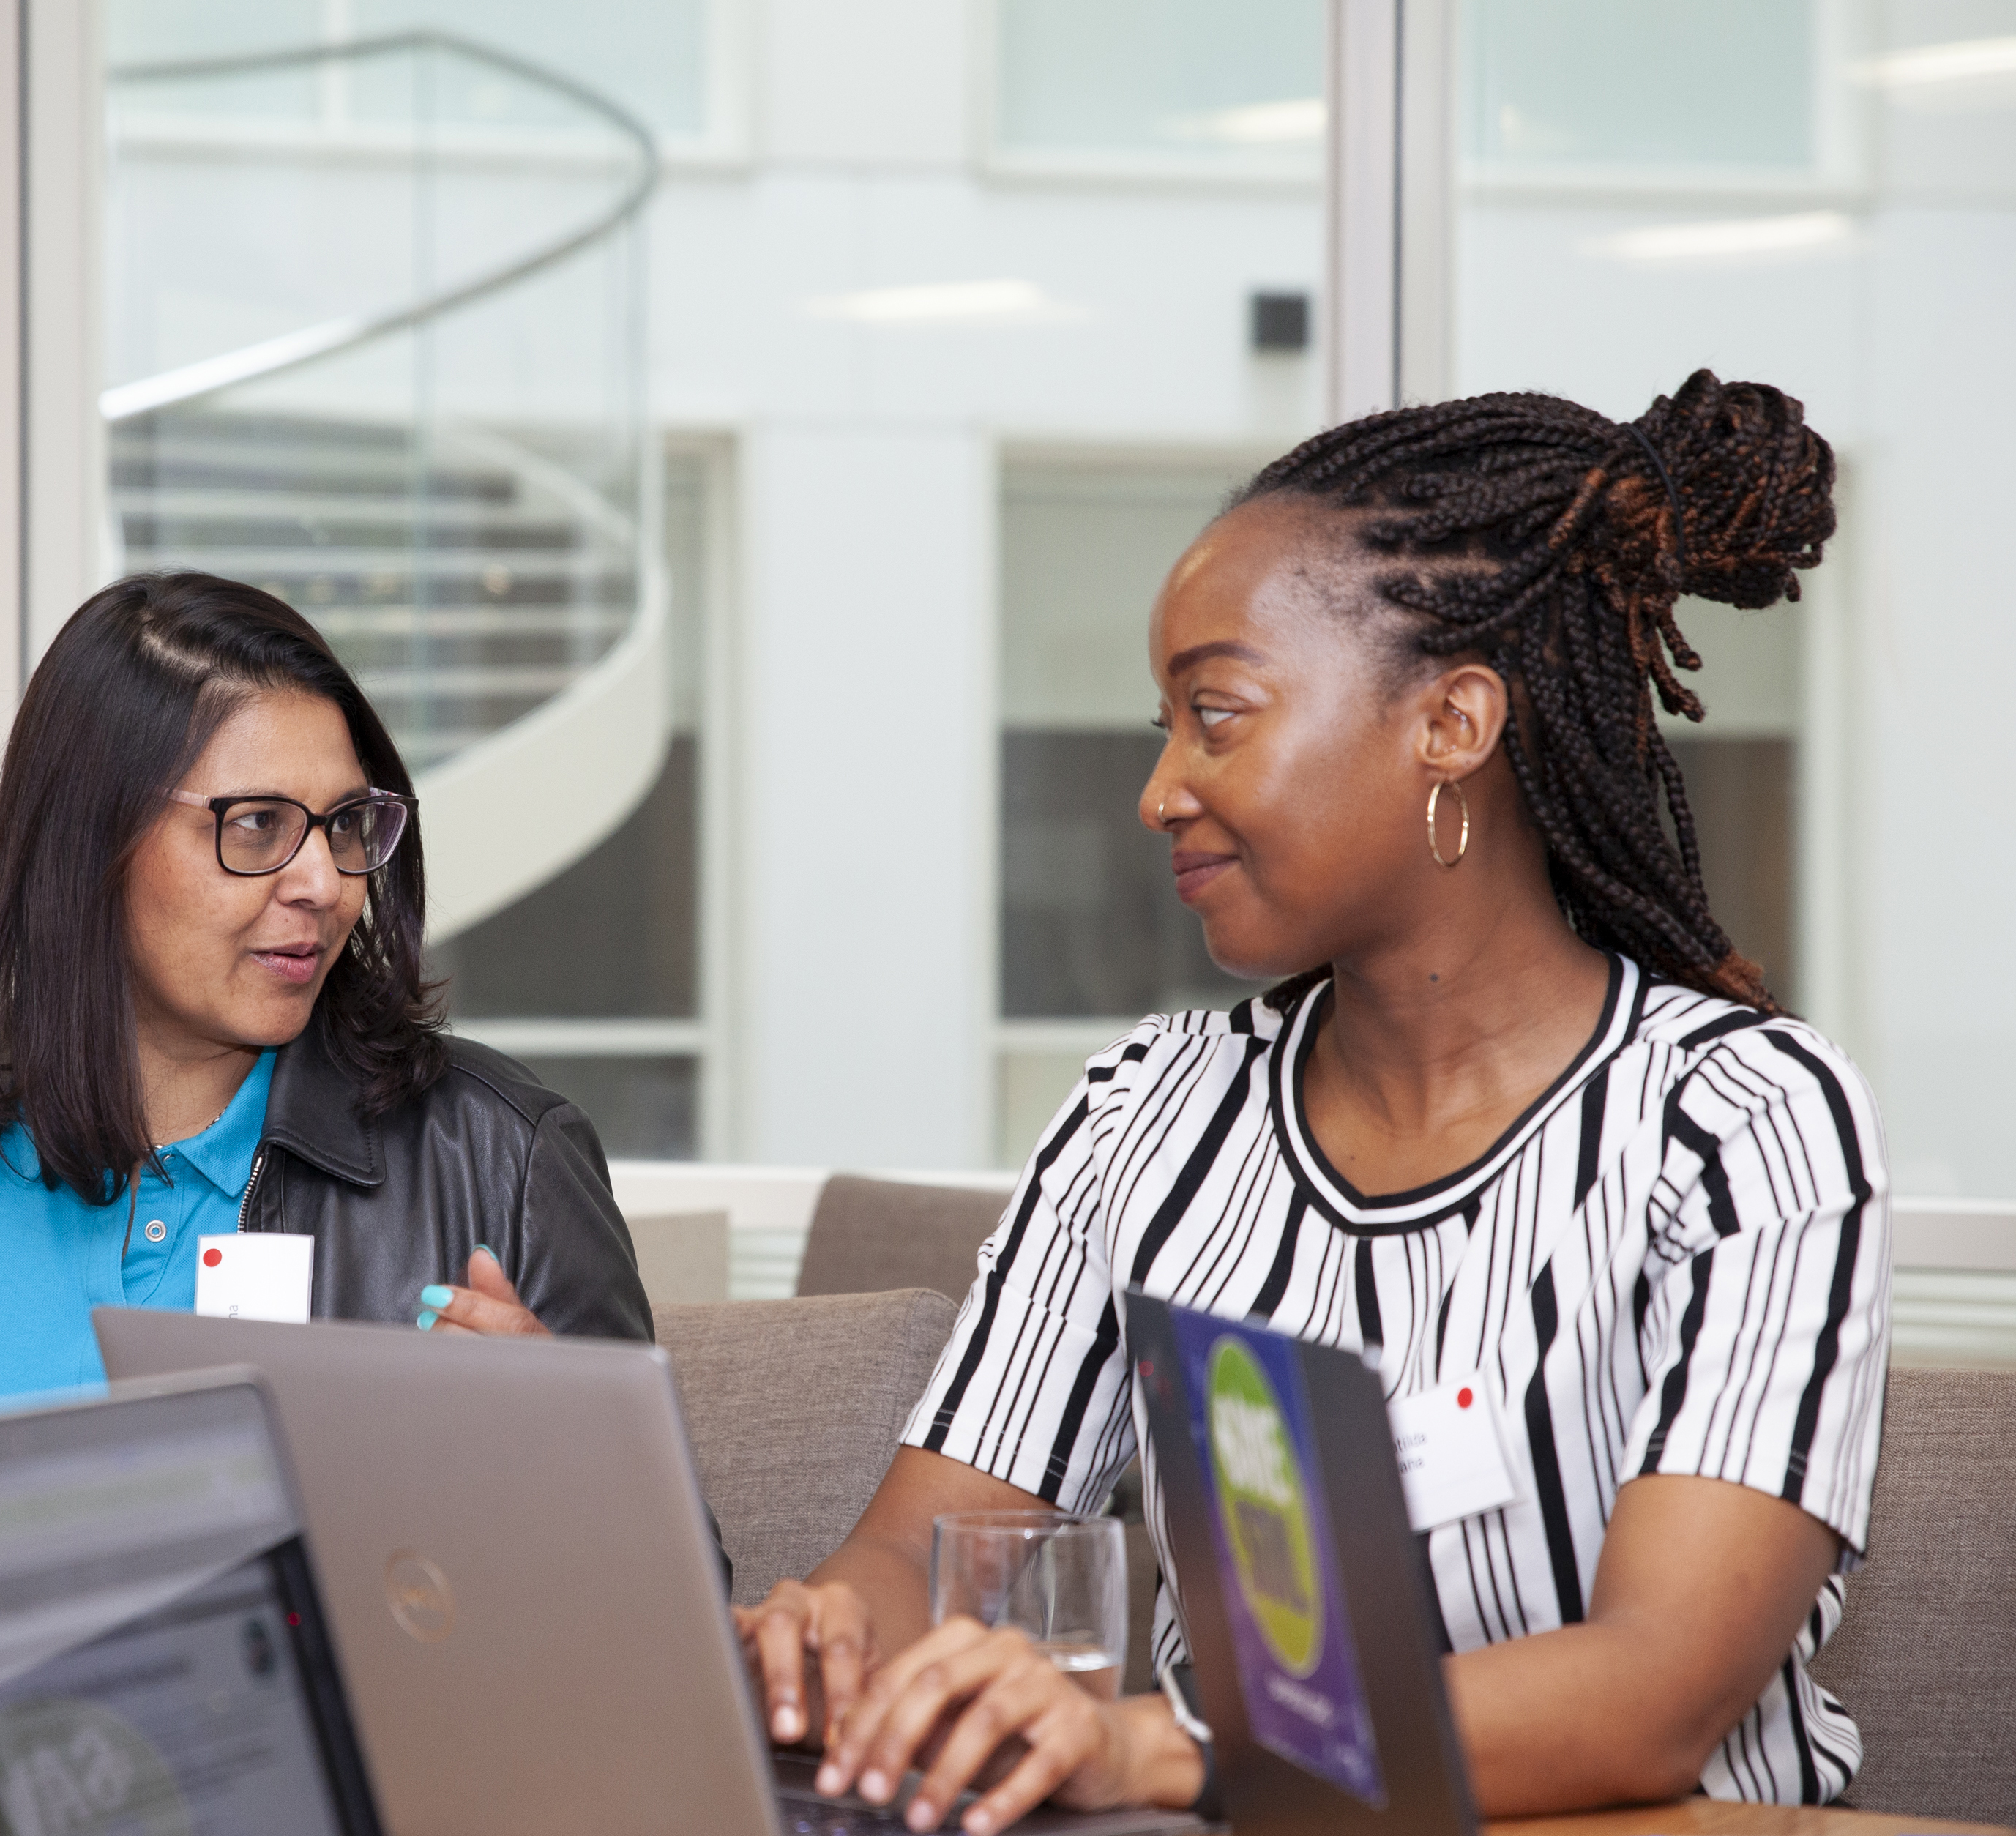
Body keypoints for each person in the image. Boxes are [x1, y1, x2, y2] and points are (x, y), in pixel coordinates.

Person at [742, 372, 1887, 1833]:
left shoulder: (1740, 1119)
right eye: (1164, 724)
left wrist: (1154, 1746)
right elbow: (918, 1551)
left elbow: (1653, 1693)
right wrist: (830, 1633)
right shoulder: (1147, 1116)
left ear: (1450, 722)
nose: (1159, 789)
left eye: (1215, 715)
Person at [0, 572, 648, 1428]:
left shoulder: (502, 1164)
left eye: (344, 824)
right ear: (88, 842)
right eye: (257, 824)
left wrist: (559, 1450)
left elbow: (659, 1539)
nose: (325, 884)